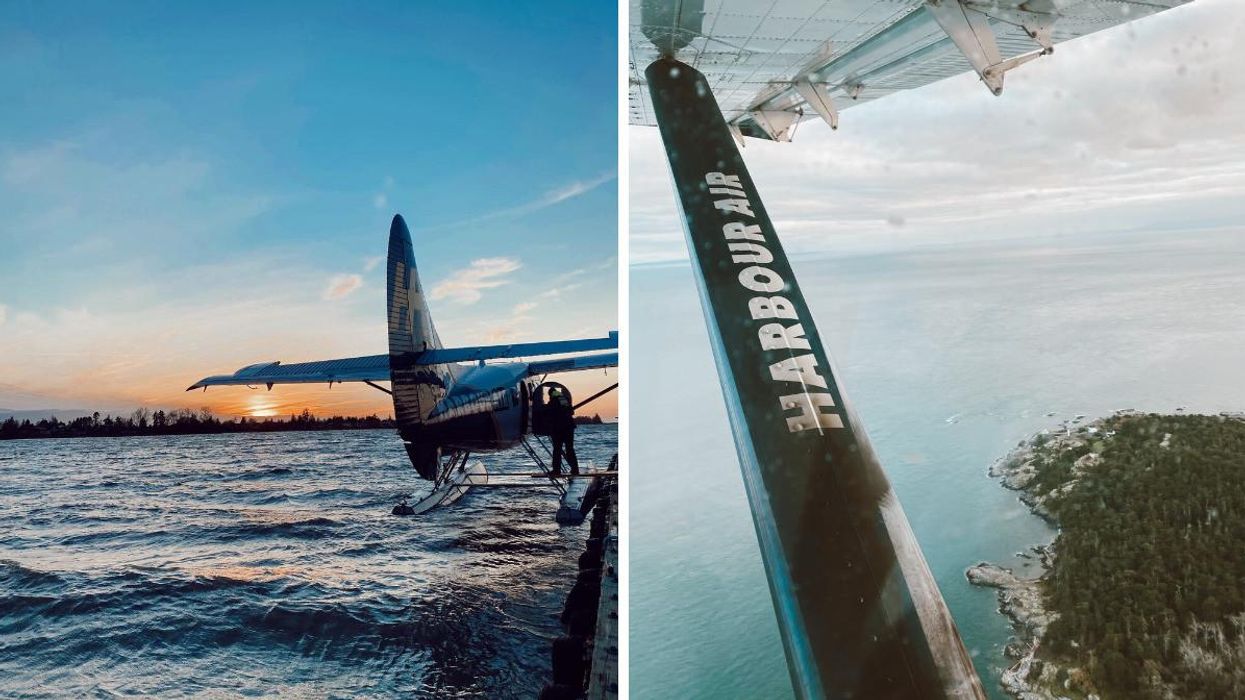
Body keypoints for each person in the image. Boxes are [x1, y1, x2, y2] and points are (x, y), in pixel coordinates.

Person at [548, 387, 579, 476]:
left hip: (558, 429)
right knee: (569, 449)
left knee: (557, 450)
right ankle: (575, 469)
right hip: (568, 427)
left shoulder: (552, 402)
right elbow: (571, 412)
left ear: (550, 394)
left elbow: (550, 414)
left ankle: (556, 470)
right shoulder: (563, 399)